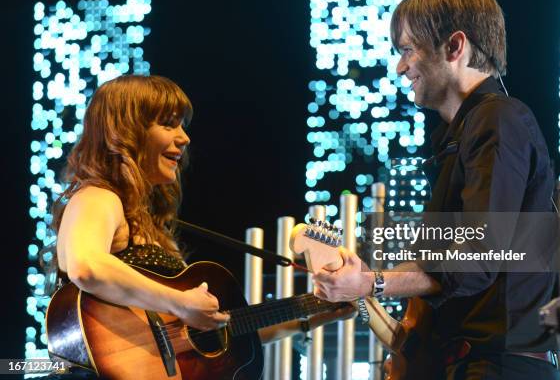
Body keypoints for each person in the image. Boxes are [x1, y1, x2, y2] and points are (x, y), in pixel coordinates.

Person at [313, 0, 559, 380]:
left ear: (454, 46)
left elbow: (477, 257)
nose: (400, 66)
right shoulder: (461, 134)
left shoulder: (498, 120)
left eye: (407, 50)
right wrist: (366, 282)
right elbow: (447, 262)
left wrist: (372, 283)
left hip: (497, 368)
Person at [52, 74, 352, 371]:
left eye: (181, 125)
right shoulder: (97, 196)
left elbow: (222, 335)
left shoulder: (148, 223)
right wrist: (179, 302)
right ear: (126, 131)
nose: (184, 138)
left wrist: (314, 315)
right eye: (168, 124)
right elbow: (86, 266)